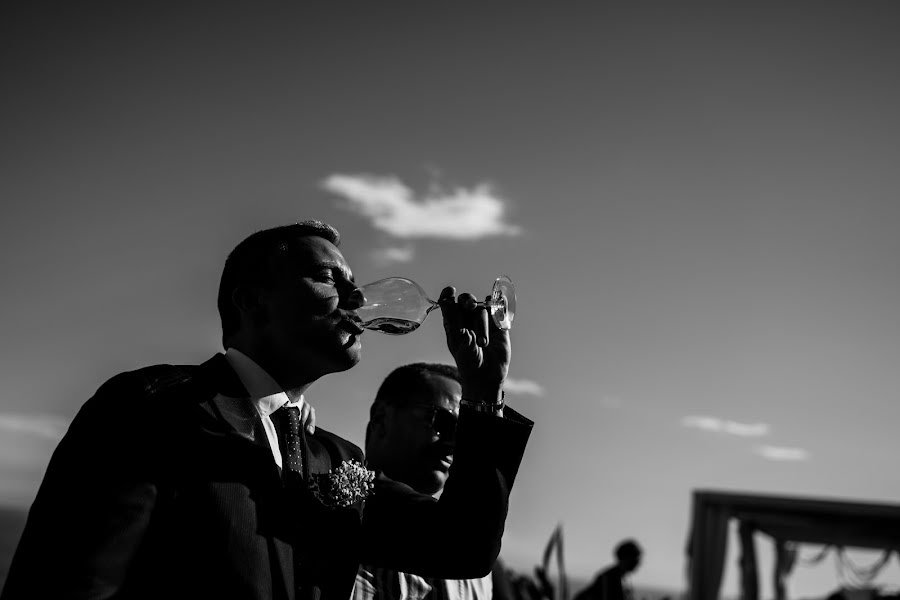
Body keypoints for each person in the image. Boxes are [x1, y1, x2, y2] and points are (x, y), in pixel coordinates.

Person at [2, 221, 533, 600]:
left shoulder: (340, 462)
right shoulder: (155, 408)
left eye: (353, 284)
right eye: (330, 278)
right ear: (251, 302)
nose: (355, 298)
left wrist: (485, 391)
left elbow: (462, 547)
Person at [354, 362, 505, 600]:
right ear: (381, 418)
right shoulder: (336, 518)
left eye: (462, 433)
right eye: (442, 423)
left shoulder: (481, 564)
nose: (453, 443)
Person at [573, 540, 642, 600]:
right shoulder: (609, 577)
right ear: (626, 558)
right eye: (636, 558)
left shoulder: (623, 578)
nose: (639, 562)